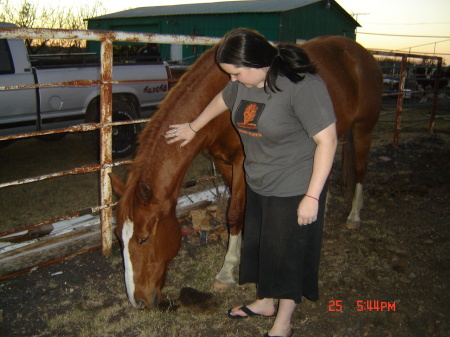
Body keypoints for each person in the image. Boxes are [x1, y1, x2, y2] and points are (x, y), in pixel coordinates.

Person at [165, 28, 337, 337]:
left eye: (236, 72)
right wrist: (194, 126)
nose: (232, 79)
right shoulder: (243, 84)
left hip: (295, 186)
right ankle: (264, 302)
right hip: (259, 180)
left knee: (287, 254)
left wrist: (312, 197)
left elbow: (328, 141)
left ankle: (282, 322)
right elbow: (223, 98)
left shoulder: (302, 86)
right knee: (261, 247)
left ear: (259, 63)